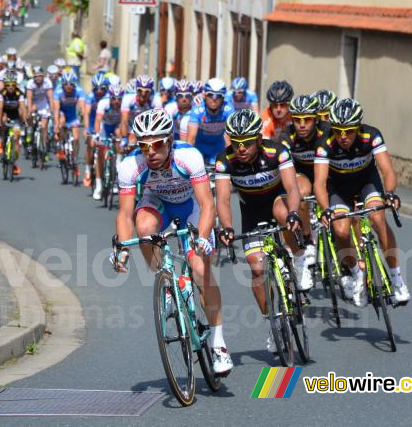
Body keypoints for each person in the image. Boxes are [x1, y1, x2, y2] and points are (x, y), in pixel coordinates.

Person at [112, 109, 233, 375]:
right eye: (143, 145)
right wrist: (122, 249)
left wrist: (202, 237)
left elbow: (206, 204)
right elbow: (124, 214)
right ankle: (166, 280)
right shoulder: (130, 166)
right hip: (159, 205)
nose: (150, 151)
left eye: (156, 144)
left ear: (169, 141)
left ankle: (218, 344)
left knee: (201, 271)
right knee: (143, 227)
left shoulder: (188, 156)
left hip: (191, 207)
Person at [215, 109, 312, 353]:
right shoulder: (224, 160)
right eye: (236, 143)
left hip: (277, 200)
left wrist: (293, 213)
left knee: (284, 215)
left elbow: (291, 186)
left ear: (258, 139)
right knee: (257, 270)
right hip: (251, 213)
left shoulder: (276, 152)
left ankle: (299, 260)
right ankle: (273, 324)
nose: (241, 149)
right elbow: (224, 200)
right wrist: (227, 228)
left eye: (247, 142)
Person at [313, 98, 410, 307]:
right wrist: (326, 209)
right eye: (338, 131)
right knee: (340, 230)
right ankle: (356, 273)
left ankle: (396, 278)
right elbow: (320, 183)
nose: (343, 136)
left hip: (367, 182)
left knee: (377, 218)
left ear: (357, 127)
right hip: (339, 188)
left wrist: (390, 193)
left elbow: (387, 170)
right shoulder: (325, 143)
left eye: (348, 131)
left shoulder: (371, 135)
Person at [280, 94, 327, 265]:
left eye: (307, 119)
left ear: (316, 119)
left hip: (325, 171)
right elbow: (284, 165)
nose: (301, 124)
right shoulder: (287, 135)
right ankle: (308, 238)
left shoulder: (327, 131)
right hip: (302, 172)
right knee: (302, 194)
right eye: (297, 119)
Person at [184, 78, 234, 165]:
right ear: (204, 95)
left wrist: (232, 159)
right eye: (210, 95)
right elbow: (190, 139)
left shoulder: (229, 109)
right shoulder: (197, 110)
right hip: (199, 146)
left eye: (218, 96)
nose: (214, 99)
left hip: (217, 147)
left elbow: (230, 138)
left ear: (223, 97)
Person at [92, 84, 125, 200]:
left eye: (119, 99)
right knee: (100, 153)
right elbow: (97, 121)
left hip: (117, 127)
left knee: (119, 136)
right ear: (110, 97)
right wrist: (96, 135)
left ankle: (117, 172)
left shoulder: (124, 105)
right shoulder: (103, 103)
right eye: (114, 98)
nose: (116, 101)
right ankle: (99, 185)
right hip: (105, 128)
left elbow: (125, 122)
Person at [0, 75, 28, 176]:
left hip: (15, 115)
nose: (10, 87)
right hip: (5, 113)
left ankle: (13, 161)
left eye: (13, 85)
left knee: (16, 137)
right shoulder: (2, 93)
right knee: (3, 121)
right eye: (8, 85)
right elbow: (0, 108)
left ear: (15, 85)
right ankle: (1, 140)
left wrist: (25, 121)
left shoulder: (19, 93)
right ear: (5, 85)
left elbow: (23, 108)